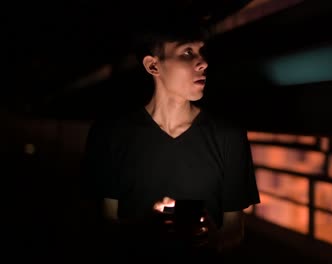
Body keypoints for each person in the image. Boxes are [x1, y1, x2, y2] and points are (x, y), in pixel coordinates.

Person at [79, 16, 260, 261]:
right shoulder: (111, 134)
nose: (203, 62)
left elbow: (235, 228)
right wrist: (141, 229)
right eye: (187, 53)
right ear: (153, 66)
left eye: (201, 52)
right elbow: (101, 225)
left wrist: (214, 239)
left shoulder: (229, 135)